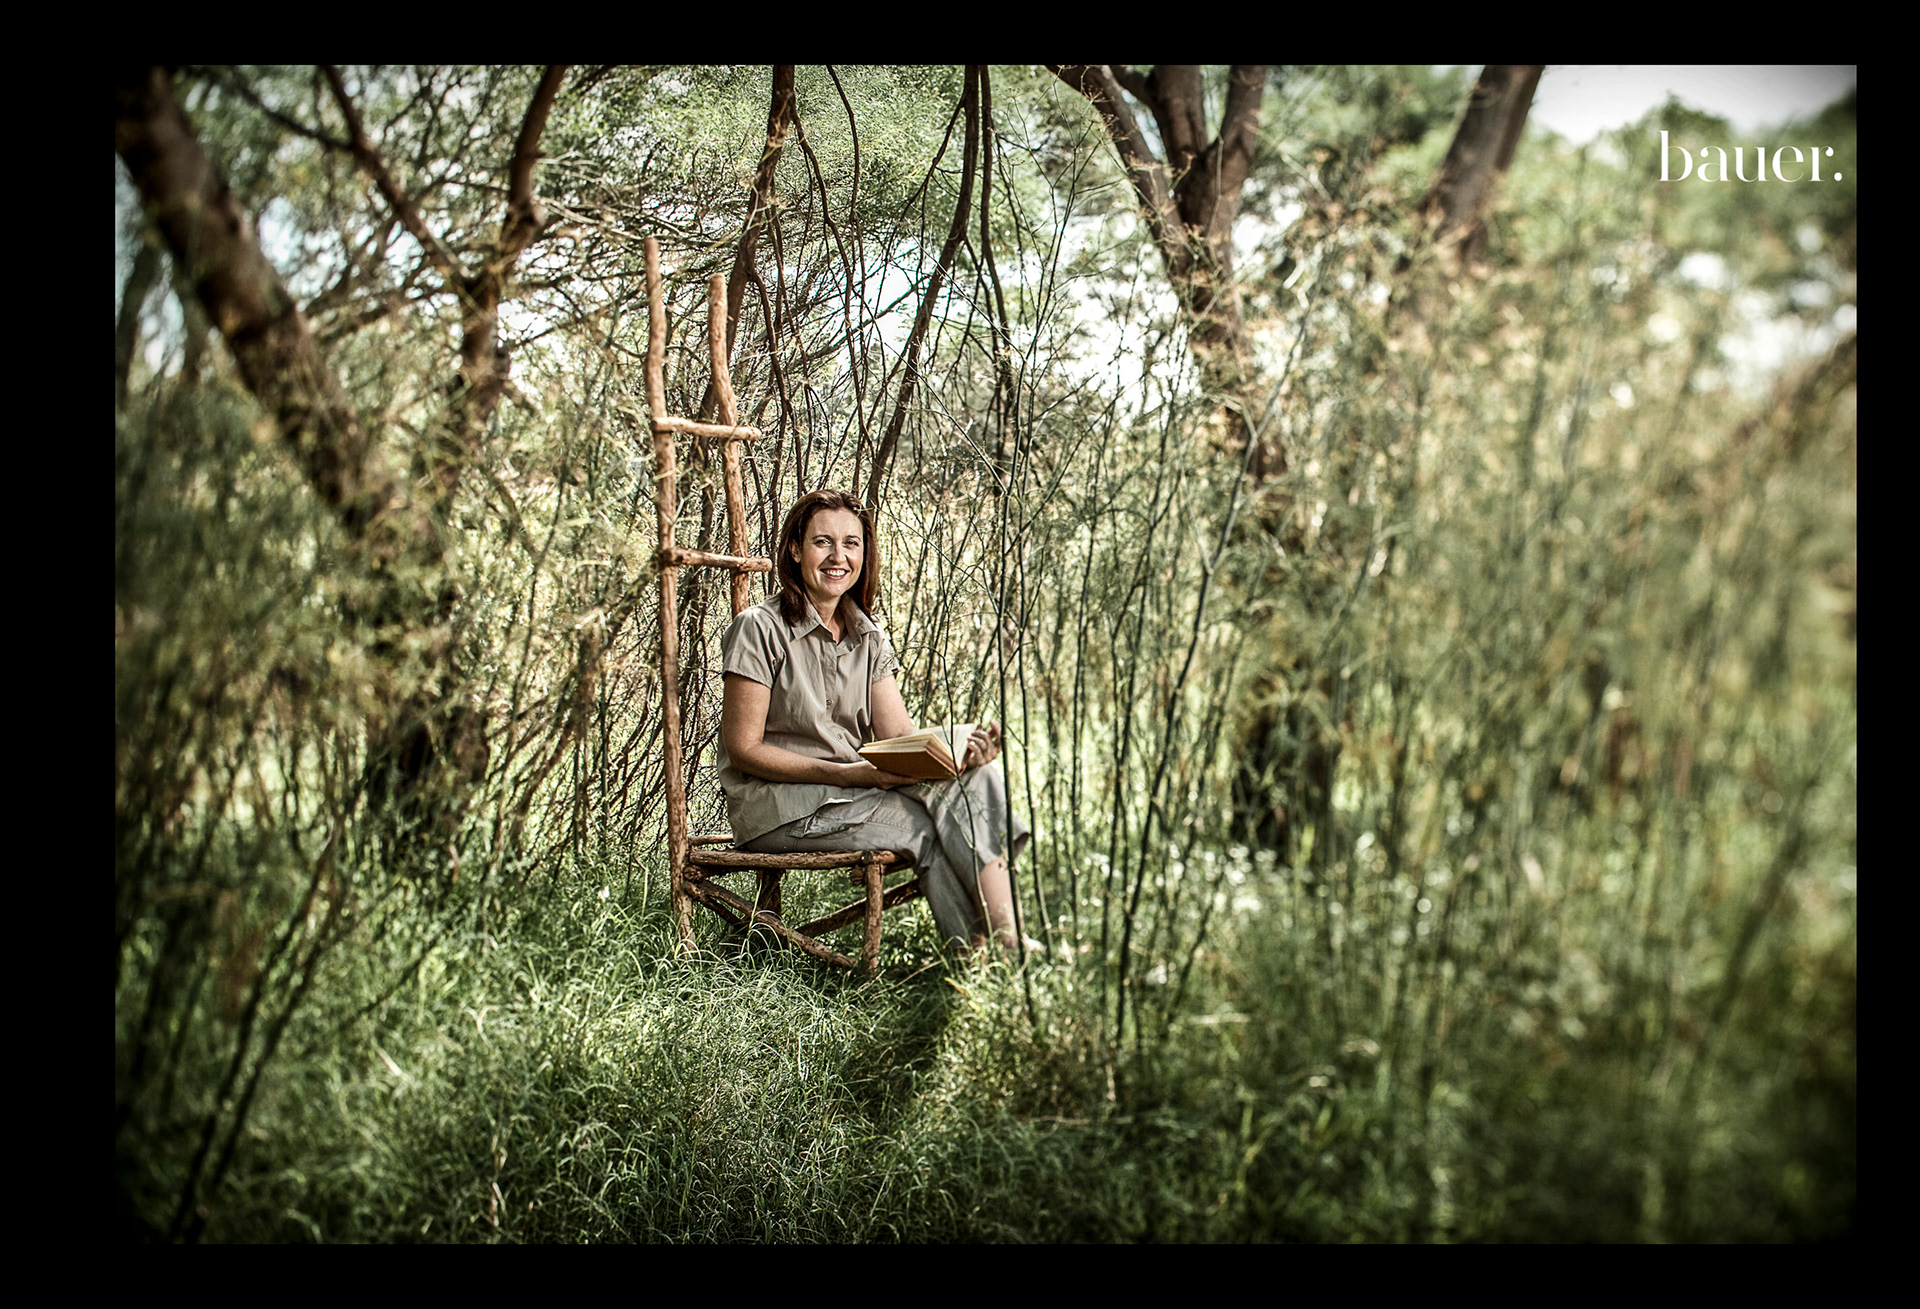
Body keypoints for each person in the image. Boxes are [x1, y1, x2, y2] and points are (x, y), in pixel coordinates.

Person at [715, 488, 1028, 955]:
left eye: (851, 543)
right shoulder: (759, 627)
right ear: (796, 549)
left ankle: (1006, 941)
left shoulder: (867, 634)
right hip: (782, 807)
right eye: (823, 542)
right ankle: (982, 958)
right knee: (926, 829)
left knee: (978, 778)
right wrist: (847, 774)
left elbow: (898, 736)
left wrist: (963, 752)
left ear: (865, 553)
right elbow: (744, 749)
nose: (838, 557)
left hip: (852, 793)